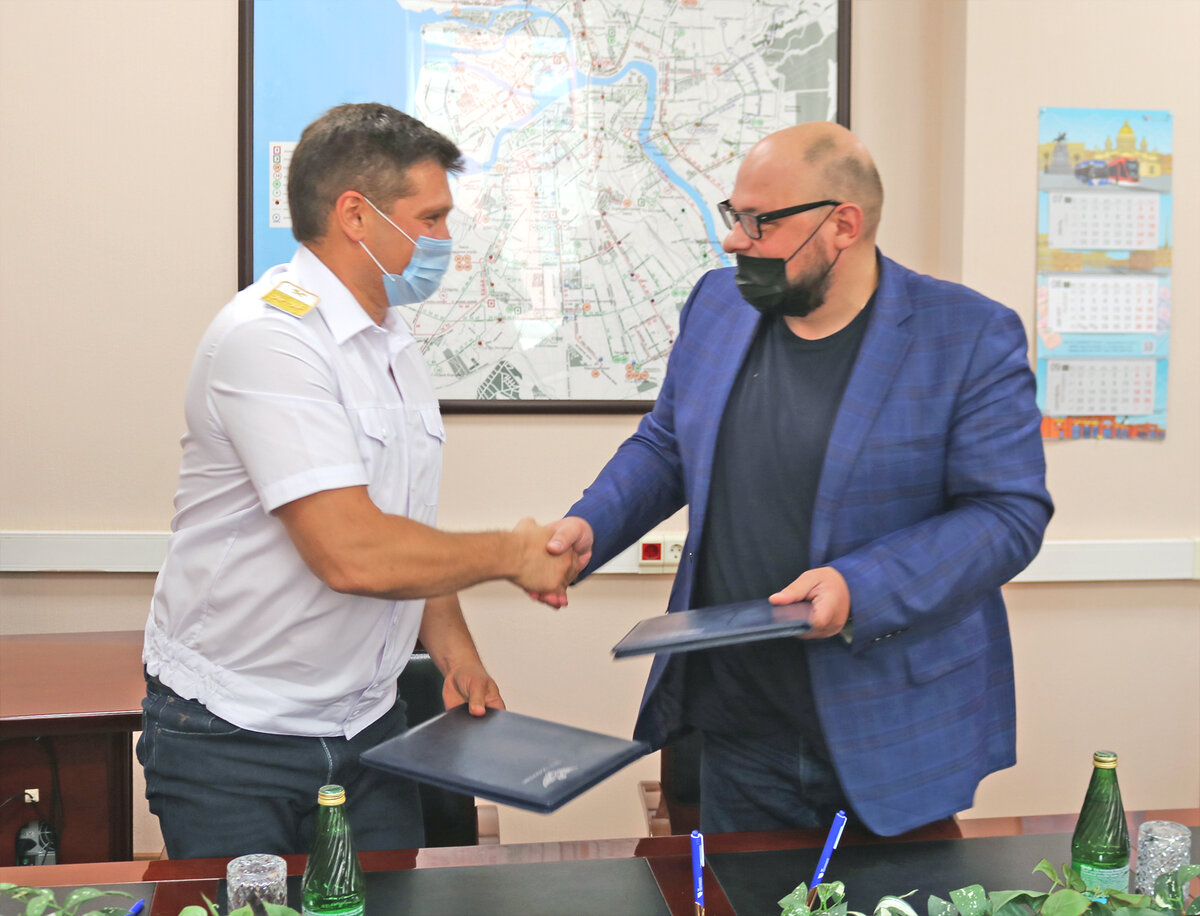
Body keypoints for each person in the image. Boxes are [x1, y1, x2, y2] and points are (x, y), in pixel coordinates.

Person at [539, 122, 1053, 837]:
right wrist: (592, 524)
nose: (734, 240)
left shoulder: (966, 335)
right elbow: (668, 443)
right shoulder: (717, 306)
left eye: (761, 222)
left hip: (890, 727)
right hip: (739, 725)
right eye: (735, 215)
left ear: (843, 224)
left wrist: (858, 587)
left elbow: (1007, 515)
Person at [139, 103, 580, 858]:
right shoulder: (270, 338)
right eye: (431, 218)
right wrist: (512, 554)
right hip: (235, 735)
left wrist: (457, 655)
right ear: (355, 215)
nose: (444, 240)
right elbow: (353, 553)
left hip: (368, 726)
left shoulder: (391, 344)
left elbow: (402, 528)